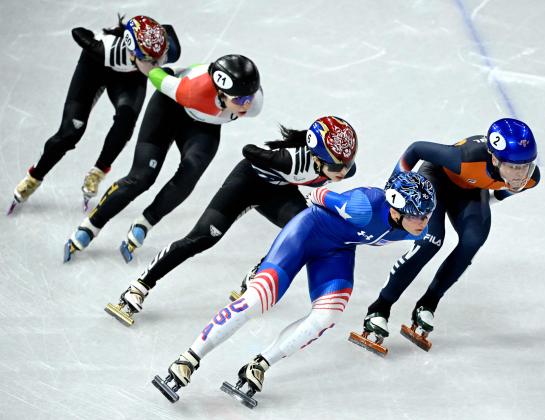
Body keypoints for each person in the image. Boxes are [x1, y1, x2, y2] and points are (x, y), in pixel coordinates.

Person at [151, 171, 436, 407]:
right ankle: (187, 359)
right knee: (258, 300)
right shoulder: (364, 205)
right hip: (306, 233)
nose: (423, 222)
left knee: (328, 315)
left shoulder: (417, 227)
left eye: (427, 215)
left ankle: (259, 365)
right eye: (418, 216)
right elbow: (317, 196)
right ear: (397, 210)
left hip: (337, 251)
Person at [105, 116, 358, 326]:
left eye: (347, 164)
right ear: (315, 158)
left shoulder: (338, 165)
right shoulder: (291, 160)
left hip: (277, 191)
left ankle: (257, 273)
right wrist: (269, 157)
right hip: (246, 184)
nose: (344, 172)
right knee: (201, 239)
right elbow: (248, 151)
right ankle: (138, 287)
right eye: (338, 166)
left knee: (307, 231)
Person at [358, 118, 541, 352]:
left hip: (470, 192)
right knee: (431, 241)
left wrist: (482, 204)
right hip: (437, 179)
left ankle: (428, 304)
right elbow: (417, 148)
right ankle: (380, 307)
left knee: (474, 239)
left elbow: (502, 192)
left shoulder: (530, 179)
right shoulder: (466, 157)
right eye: (513, 167)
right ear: (494, 158)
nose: (519, 175)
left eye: (524, 166)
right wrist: (393, 190)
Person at [63, 53, 263, 263]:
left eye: (249, 97)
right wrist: (165, 71)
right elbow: (155, 75)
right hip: (169, 109)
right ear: (221, 93)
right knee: (142, 177)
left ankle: (145, 223)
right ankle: (91, 225)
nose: (246, 105)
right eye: (240, 100)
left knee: (190, 174)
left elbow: (233, 88)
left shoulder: (253, 103)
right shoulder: (192, 91)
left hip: (205, 126)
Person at [8, 15, 180, 214]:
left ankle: (98, 172)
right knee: (71, 132)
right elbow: (78, 32)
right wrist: (91, 41)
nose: (155, 67)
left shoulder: (167, 50)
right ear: (132, 53)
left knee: (125, 124)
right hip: (94, 68)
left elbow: (166, 32)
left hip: (129, 79)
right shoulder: (106, 50)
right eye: (148, 61)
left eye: (157, 59)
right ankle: (34, 177)